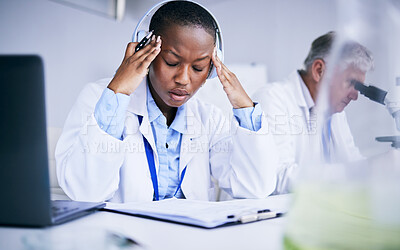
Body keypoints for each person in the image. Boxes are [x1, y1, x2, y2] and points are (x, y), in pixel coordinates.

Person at [55, 0, 278, 202]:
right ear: (146, 52)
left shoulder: (209, 118)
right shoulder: (98, 99)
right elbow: (86, 192)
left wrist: (244, 107)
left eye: (199, 68)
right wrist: (119, 91)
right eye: (172, 62)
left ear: (211, 69)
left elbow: (255, 188)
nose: (183, 79)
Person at [252, 31, 374, 194]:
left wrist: (379, 170)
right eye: (351, 83)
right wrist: (365, 169)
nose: (355, 96)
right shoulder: (272, 99)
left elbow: (352, 162)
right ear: (319, 70)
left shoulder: (334, 111)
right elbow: (278, 178)